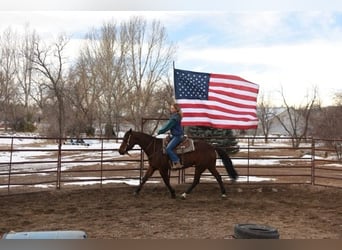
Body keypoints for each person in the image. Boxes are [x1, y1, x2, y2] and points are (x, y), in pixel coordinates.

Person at [158, 103, 184, 169]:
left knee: (168, 149)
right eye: (171, 108)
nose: (171, 109)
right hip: (175, 135)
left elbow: (168, 126)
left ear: (176, 109)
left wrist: (160, 131)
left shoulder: (175, 118)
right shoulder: (175, 116)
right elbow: (167, 124)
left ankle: (177, 162)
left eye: (172, 108)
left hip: (177, 136)